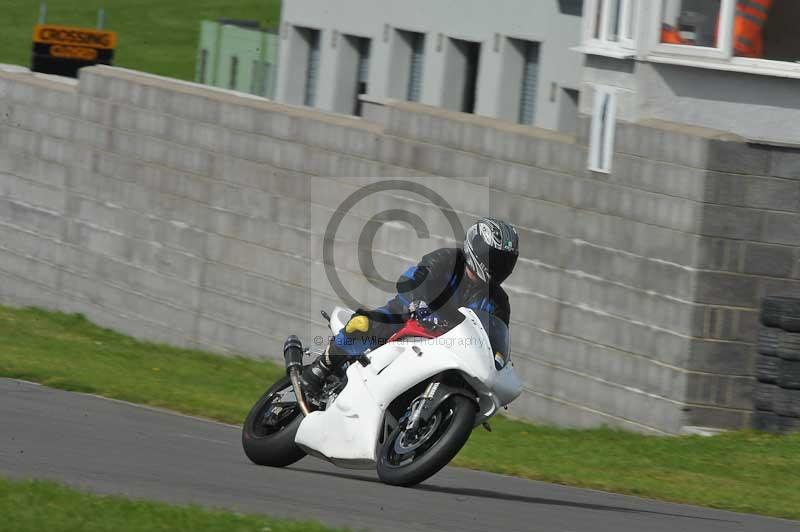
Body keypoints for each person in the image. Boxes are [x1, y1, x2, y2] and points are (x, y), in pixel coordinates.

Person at [300, 218, 520, 395]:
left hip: (449, 347)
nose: (500, 267)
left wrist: (499, 361)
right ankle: (319, 370)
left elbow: (495, 338)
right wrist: (419, 302)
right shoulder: (448, 260)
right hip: (408, 316)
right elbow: (416, 278)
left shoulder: (499, 302)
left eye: (505, 262)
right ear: (478, 250)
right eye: (495, 259)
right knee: (363, 324)